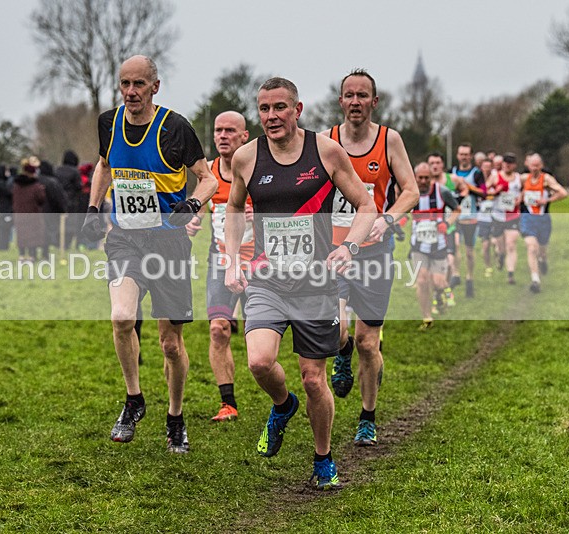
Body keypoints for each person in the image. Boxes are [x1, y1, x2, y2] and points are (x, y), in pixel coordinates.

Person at [224, 77, 376, 490]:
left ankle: (323, 458)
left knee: (313, 379)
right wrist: (231, 259)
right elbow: (235, 209)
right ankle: (282, 405)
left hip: (315, 282)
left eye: (280, 108)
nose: (271, 117)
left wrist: (351, 248)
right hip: (266, 280)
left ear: (298, 109)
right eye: (264, 109)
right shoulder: (246, 157)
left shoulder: (326, 151)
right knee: (258, 361)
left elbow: (366, 204)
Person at [79, 55, 218, 453]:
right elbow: (105, 165)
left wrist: (191, 205)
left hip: (169, 242)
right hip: (125, 238)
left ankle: (175, 417)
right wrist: (93, 206)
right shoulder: (109, 123)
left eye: (139, 84)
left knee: (170, 344)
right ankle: (134, 400)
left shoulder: (176, 128)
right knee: (122, 317)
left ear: (155, 87)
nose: (131, 92)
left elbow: (208, 179)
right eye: (125, 84)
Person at [322, 69, 418, 448]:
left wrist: (387, 218)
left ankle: (367, 417)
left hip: (374, 251)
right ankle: (340, 351)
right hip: (334, 249)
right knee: (336, 327)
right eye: (350, 95)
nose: (356, 101)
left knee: (369, 341)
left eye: (363, 95)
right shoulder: (326, 141)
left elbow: (410, 189)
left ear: (374, 102)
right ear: (341, 100)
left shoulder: (388, 139)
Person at [185, 110, 253, 422]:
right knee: (218, 329)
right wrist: (193, 220)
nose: (222, 136)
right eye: (218, 130)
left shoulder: (257, 170)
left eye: (230, 131)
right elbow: (200, 205)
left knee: (260, 341)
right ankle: (228, 403)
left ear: (244, 136)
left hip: (259, 263)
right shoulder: (210, 172)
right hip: (221, 260)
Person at [409, 163, 460, 329]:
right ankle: (427, 317)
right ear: (415, 177)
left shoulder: (442, 192)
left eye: (426, 178)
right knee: (422, 280)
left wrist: (447, 222)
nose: (423, 181)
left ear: (431, 178)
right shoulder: (409, 193)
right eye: (420, 178)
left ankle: (441, 294)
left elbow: (457, 210)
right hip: (418, 246)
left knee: (438, 282)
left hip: (439, 245)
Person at [518, 153, 567, 293]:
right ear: (528, 165)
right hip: (528, 218)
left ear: (541, 165)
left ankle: (543, 261)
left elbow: (563, 193)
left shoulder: (546, 179)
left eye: (537, 165)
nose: (534, 168)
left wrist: (546, 201)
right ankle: (535, 279)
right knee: (531, 247)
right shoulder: (523, 179)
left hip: (543, 219)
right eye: (532, 165)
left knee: (542, 250)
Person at [452, 142, 486, 298]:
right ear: (457, 155)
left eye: (466, 154)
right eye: (461, 154)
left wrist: (467, 187)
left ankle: (470, 279)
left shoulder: (476, 173)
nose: (464, 157)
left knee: (469, 252)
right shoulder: (451, 172)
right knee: (456, 246)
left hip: (471, 218)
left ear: (471, 156)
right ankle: (456, 275)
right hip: (455, 217)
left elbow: (484, 192)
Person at [427, 152, 458, 307]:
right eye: (431, 163)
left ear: (442, 165)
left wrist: (447, 223)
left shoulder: (450, 181)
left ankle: (445, 288)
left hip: (447, 231)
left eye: (437, 162)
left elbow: (458, 207)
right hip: (425, 235)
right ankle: (440, 291)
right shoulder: (422, 185)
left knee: (450, 262)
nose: (435, 166)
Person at [492, 153, 523, 284]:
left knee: (511, 244)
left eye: (510, 162)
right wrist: (495, 191)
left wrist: (519, 199)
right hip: (498, 215)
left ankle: (510, 274)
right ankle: (500, 255)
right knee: (500, 246)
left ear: (515, 165)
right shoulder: (495, 176)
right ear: (502, 163)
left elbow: (524, 190)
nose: (508, 164)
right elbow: (484, 190)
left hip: (513, 215)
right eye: (506, 162)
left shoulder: (519, 178)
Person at [13, 156, 47, 262]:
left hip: (19, 214)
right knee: (33, 235)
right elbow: (41, 199)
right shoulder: (36, 186)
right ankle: (32, 255)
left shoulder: (16, 185)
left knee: (21, 234)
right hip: (33, 214)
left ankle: (22, 255)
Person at [53, 150, 82, 249]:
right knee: (70, 224)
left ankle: (57, 243)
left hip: (57, 200)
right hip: (71, 201)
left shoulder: (56, 170)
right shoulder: (75, 171)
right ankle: (66, 244)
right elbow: (79, 187)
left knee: (57, 223)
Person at [0, 163, 14, 251]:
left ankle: (3, 245)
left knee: (4, 228)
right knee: (3, 228)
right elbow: (8, 192)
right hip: (4, 207)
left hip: (2, 207)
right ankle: (2, 246)